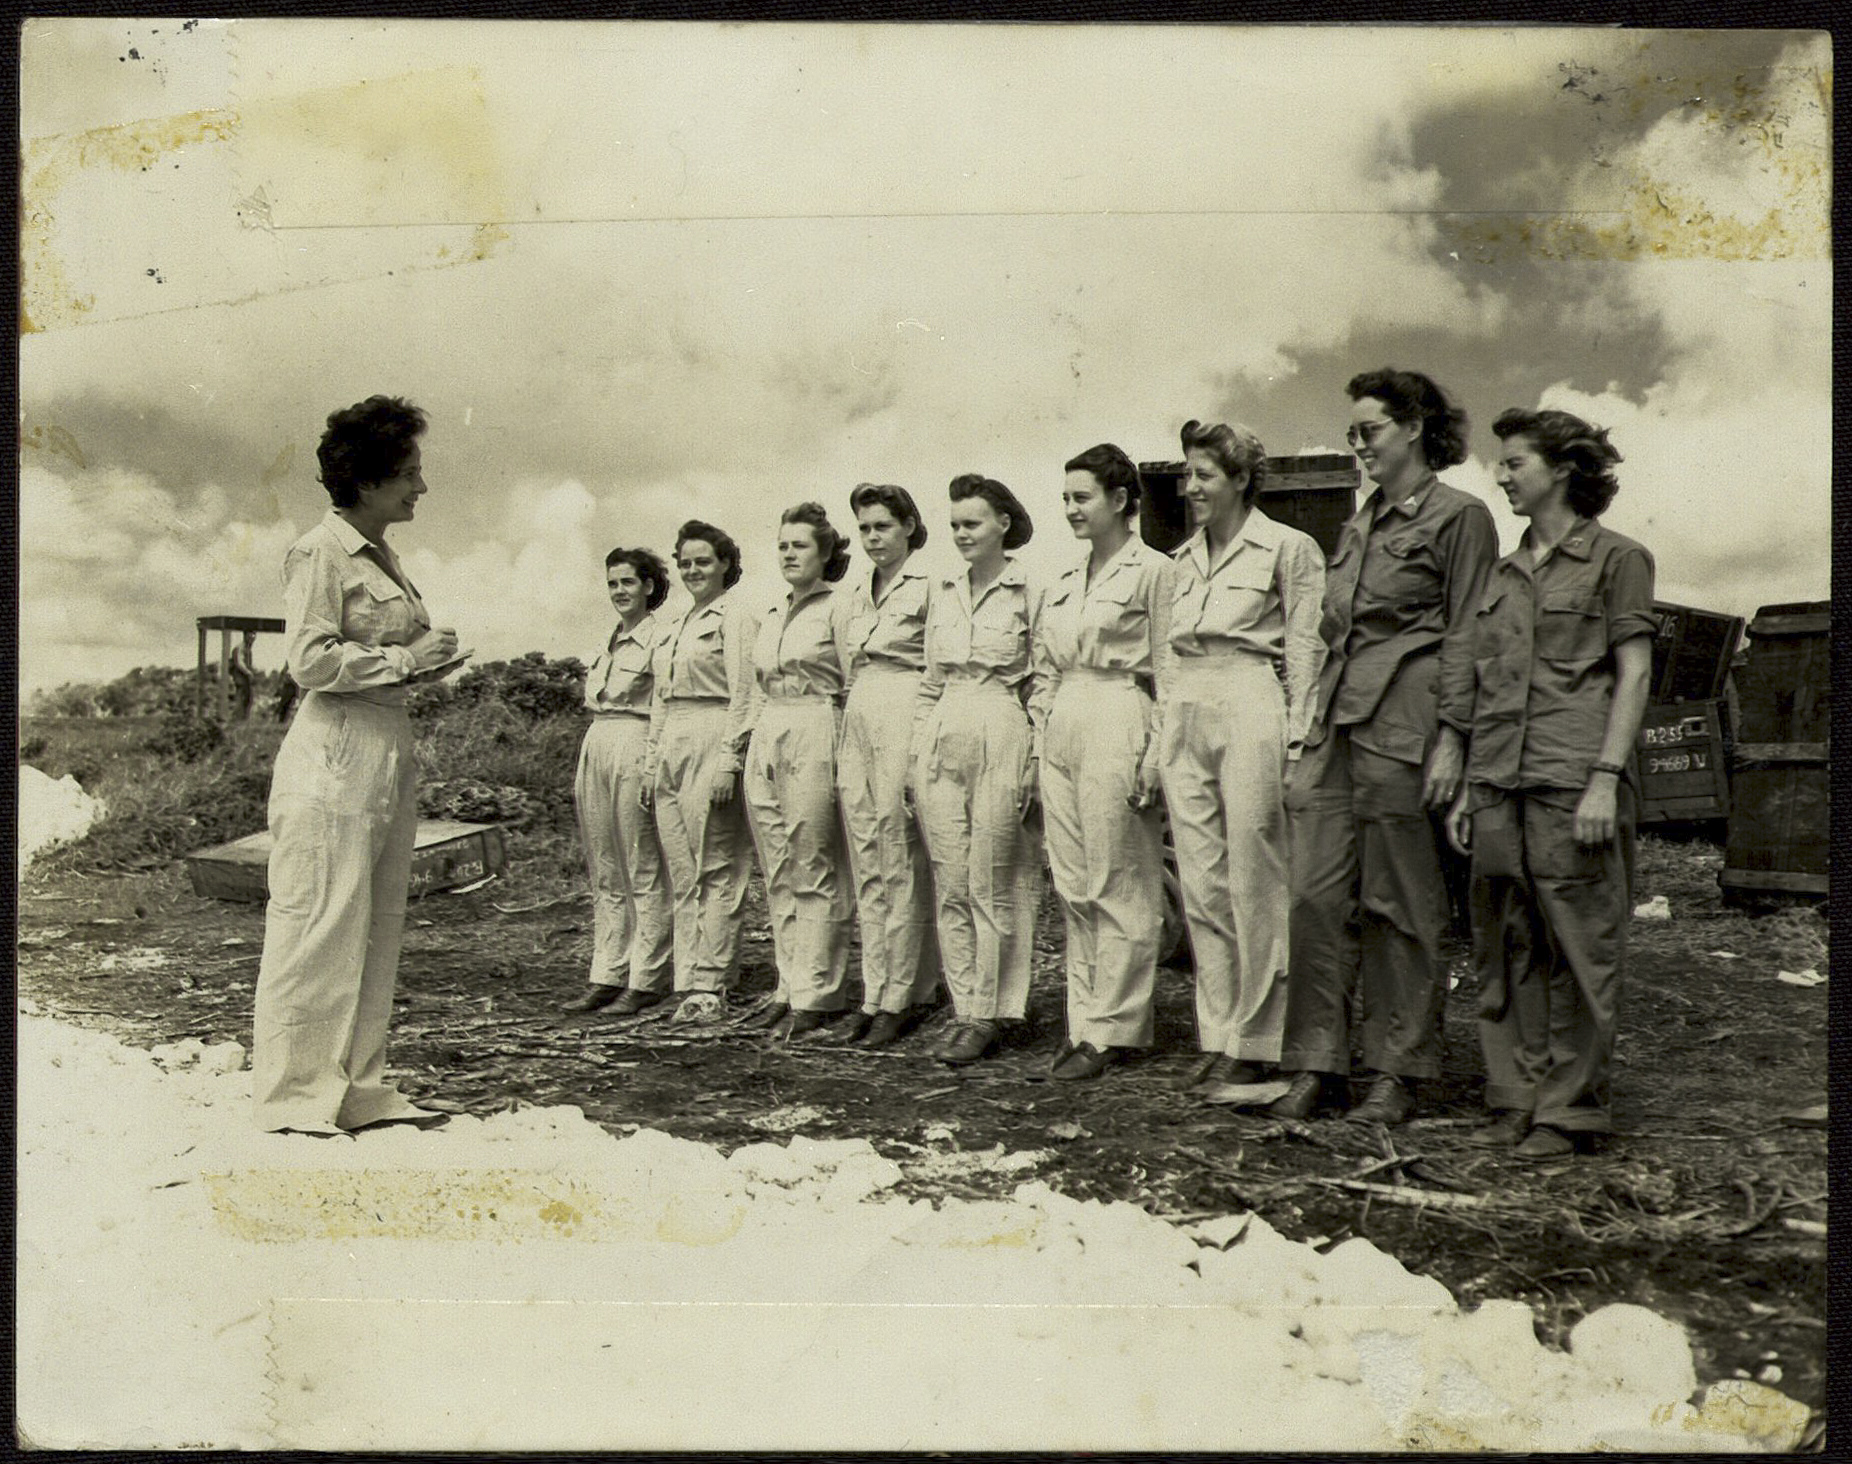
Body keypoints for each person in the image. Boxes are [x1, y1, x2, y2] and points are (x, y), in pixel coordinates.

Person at [1273, 369, 1498, 1125]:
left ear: (1413, 428)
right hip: (1336, 724)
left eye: (1368, 430)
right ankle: (1316, 1062)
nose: (1359, 446)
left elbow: (1470, 630)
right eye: (1354, 434)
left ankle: (1396, 1071)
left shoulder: (1461, 517)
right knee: (1312, 897)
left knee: (1399, 904)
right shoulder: (1360, 522)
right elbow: (1333, 631)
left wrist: (1454, 742)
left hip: (1407, 725)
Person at [251, 395, 462, 1134]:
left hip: (385, 746)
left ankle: (359, 1089)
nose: (421, 488)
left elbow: (378, 657)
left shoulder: (382, 556)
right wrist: (405, 656)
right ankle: (293, 1099)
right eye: (408, 474)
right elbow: (308, 660)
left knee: (377, 920)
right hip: (333, 754)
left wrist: (426, 663)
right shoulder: (320, 551)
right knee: (320, 921)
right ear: (368, 481)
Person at [1445, 408, 1653, 1159]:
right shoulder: (1501, 575)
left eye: (1514, 463)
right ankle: (1515, 1095)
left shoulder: (1617, 559)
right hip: (1500, 780)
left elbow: (1633, 675)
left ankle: (1570, 1111)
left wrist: (1605, 777)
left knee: (1580, 944)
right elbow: (1482, 684)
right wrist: (1470, 784)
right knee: (1504, 943)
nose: (1501, 475)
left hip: (1573, 778)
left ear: (1562, 469)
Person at [1159, 420, 1325, 1092]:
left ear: (1241, 479)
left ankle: (1260, 1040)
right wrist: (1162, 729)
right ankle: (1220, 1034)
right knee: (1201, 880)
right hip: (1186, 706)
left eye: (1203, 475)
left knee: (1256, 876)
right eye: (1187, 474)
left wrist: (1298, 740)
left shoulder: (1288, 548)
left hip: (1251, 695)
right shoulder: (1180, 561)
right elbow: (1165, 657)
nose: (1190, 486)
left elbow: (1305, 650)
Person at [1032, 444, 1173, 1081]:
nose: (1070, 510)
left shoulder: (1154, 572)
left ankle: (1118, 1028)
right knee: (1073, 882)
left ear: (1120, 501)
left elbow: (1171, 673)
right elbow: (1044, 671)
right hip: (1065, 721)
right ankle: (1084, 1022)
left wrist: (1155, 754)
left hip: (1121, 712)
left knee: (1120, 879)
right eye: (1065, 498)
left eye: (1081, 497)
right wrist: (1044, 729)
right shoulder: (1064, 581)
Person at [908, 474, 1047, 1065]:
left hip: (1000, 723)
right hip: (944, 730)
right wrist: (916, 757)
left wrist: (1035, 756)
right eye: (955, 524)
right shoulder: (944, 591)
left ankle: (996, 1011)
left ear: (1003, 525)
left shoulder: (1028, 589)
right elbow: (928, 683)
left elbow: (1043, 677)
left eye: (973, 523)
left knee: (996, 877)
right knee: (951, 878)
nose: (961, 533)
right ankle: (966, 1007)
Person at [740, 503, 856, 1038]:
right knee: (778, 866)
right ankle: (787, 987)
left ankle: (819, 991)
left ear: (826, 553)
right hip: (770, 726)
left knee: (814, 861)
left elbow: (853, 683)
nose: (789, 553)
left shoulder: (840, 607)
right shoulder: (771, 612)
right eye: (783, 544)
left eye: (801, 545)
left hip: (816, 722)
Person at [834, 483, 942, 1047]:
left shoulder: (931, 586)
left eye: (882, 527)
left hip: (904, 704)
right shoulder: (856, 591)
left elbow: (937, 666)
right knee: (866, 855)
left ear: (907, 527)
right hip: (860, 710)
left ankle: (904, 995)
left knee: (898, 854)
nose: (873, 538)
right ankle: (875, 992)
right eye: (864, 529)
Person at [642, 521, 761, 1022]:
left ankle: (711, 982)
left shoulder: (735, 617)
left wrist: (729, 763)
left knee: (717, 863)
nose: (693, 571)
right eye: (686, 563)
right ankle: (689, 976)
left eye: (704, 562)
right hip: (673, 739)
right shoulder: (675, 623)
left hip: (714, 733)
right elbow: (661, 699)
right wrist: (652, 764)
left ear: (726, 565)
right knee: (683, 868)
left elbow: (744, 694)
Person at [564, 547, 676, 1016]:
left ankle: (647, 977)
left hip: (635, 739)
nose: (619, 592)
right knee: (605, 864)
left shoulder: (660, 637)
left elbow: (663, 705)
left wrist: (652, 765)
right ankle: (608, 972)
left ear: (648, 587)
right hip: (598, 741)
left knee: (640, 862)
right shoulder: (606, 640)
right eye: (612, 584)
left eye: (628, 582)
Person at [228, 630, 257, 721]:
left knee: (248, 698)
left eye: (254, 635)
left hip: (245, 678)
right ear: (245, 635)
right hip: (240, 678)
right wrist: (248, 672)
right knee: (241, 698)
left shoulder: (248, 649)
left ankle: (244, 719)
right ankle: (237, 719)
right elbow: (239, 662)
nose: (253, 637)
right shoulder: (240, 648)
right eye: (250, 634)